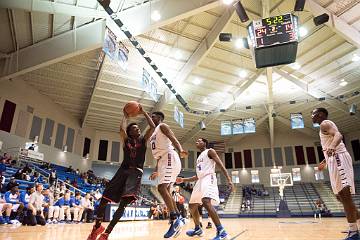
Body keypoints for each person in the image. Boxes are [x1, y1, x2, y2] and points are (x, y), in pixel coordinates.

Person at [87, 104, 155, 240]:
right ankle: (97, 227)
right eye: (135, 128)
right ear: (131, 132)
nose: (138, 130)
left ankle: (106, 233)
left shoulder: (143, 140)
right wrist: (125, 115)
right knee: (104, 200)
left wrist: (143, 112)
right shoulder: (126, 140)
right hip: (122, 171)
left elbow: (152, 127)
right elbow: (121, 129)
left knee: (123, 204)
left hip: (135, 173)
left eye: (138, 128)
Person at [312, 107, 360, 240]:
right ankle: (355, 218)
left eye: (313, 114)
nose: (311, 116)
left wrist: (332, 147)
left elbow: (338, 135)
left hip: (338, 158)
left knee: (345, 196)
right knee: (340, 197)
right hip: (333, 160)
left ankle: (354, 232)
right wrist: (325, 161)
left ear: (320, 115)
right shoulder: (324, 127)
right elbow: (329, 145)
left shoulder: (325, 123)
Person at [176, 138, 234, 240]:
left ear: (205, 143)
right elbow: (197, 176)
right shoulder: (199, 158)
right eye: (196, 141)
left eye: (199, 141)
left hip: (209, 178)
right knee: (192, 206)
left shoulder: (210, 151)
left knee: (206, 201)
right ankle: (198, 228)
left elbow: (220, 165)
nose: (196, 142)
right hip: (200, 181)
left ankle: (222, 232)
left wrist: (229, 179)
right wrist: (183, 180)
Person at [149, 111, 188, 238]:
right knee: (164, 189)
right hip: (163, 160)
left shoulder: (162, 126)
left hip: (170, 157)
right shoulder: (153, 133)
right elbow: (158, 156)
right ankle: (179, 218)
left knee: (161, 188)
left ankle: (174, 219)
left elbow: (173, 138)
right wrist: (156, 170)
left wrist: (180, 149)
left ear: (159, 118)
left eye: (153, 116)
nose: (151, 117)